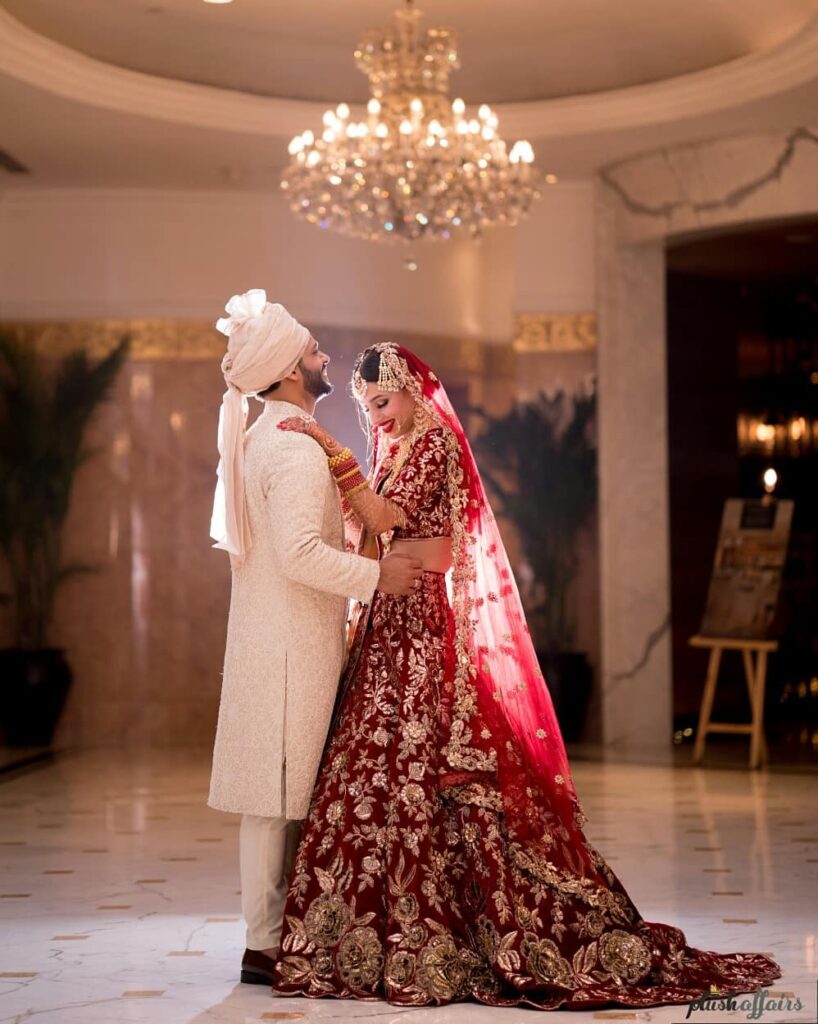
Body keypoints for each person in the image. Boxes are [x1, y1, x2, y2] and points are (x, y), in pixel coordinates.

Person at [272, 342, 780, 1009]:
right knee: (375, 772)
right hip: (387, 619)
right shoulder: (393, 448)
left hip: (423, 621)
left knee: (438, 767)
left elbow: (388, 518)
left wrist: (325, 446)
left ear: (414, 392)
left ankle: (448, 925)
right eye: (368, 409)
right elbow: (369, 529)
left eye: (384, 403)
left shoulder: (433, 445)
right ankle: (369, 930)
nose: (379, 419)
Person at [206, 293, 422, 986]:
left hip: (273, 642)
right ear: (292, 372)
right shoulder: (295, 452)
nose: (325, 356)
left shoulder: (264, 439)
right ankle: (267, 945)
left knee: (278, 801)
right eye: (313, 350)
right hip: (292, 649)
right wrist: (378, 577)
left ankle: (272, 938)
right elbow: (300, 555)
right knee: (280, 801)